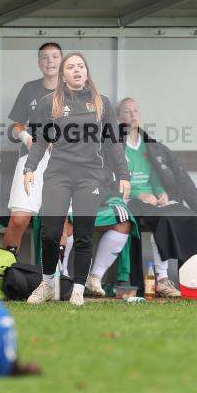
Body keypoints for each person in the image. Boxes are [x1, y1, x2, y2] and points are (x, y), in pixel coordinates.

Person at [23, 52, 131, 306]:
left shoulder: (101, 102)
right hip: (58, 174)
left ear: (86, 71)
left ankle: (79, 290)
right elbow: (41, 141)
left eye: (81, 66)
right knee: (50, 233)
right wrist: (29, 168)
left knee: (83, 234)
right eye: (71, 67)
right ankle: (48, 282)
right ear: (63, 74)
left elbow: (114, 143)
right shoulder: (50, 102)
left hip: (89, 176)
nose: (77, 70)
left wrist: (123, 175)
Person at [108, 97, 197, 297]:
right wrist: (142, 194)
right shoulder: (114, 146)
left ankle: (194, 280)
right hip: (130, 200)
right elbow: (114, 180)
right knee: (163, 220)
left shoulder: (151, 146)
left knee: (191, 219)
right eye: (127, 111)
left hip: (154, 200)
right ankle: (162, 280)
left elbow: (158, 176)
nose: (133, 114)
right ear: (118, 118)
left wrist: (160, 192)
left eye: (136, 110)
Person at [4, 42, 72, 259]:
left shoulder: (75, 91)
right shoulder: (29, 89)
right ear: (39, 62)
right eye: (45, 57)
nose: (50, 61)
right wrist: (26, 138)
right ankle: (5, 274)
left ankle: (54, 278)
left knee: (60, 222)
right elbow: (15, 126)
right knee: (19, 219)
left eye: (54, 57)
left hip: (63, 163)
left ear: (61, 61)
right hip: (31, 161)